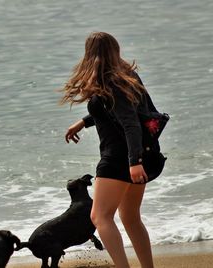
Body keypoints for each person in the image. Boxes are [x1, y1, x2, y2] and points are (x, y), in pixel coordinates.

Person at [60, 32, 164, 268]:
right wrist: (85, 121)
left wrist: (133, 161)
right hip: (139, 155)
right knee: (130, 217)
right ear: (114, 50)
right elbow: (120, 111)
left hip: (121, 159)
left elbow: (130, 123)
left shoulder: (111, 81)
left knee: (100, 217)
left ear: (90, 54)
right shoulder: (126, 75)